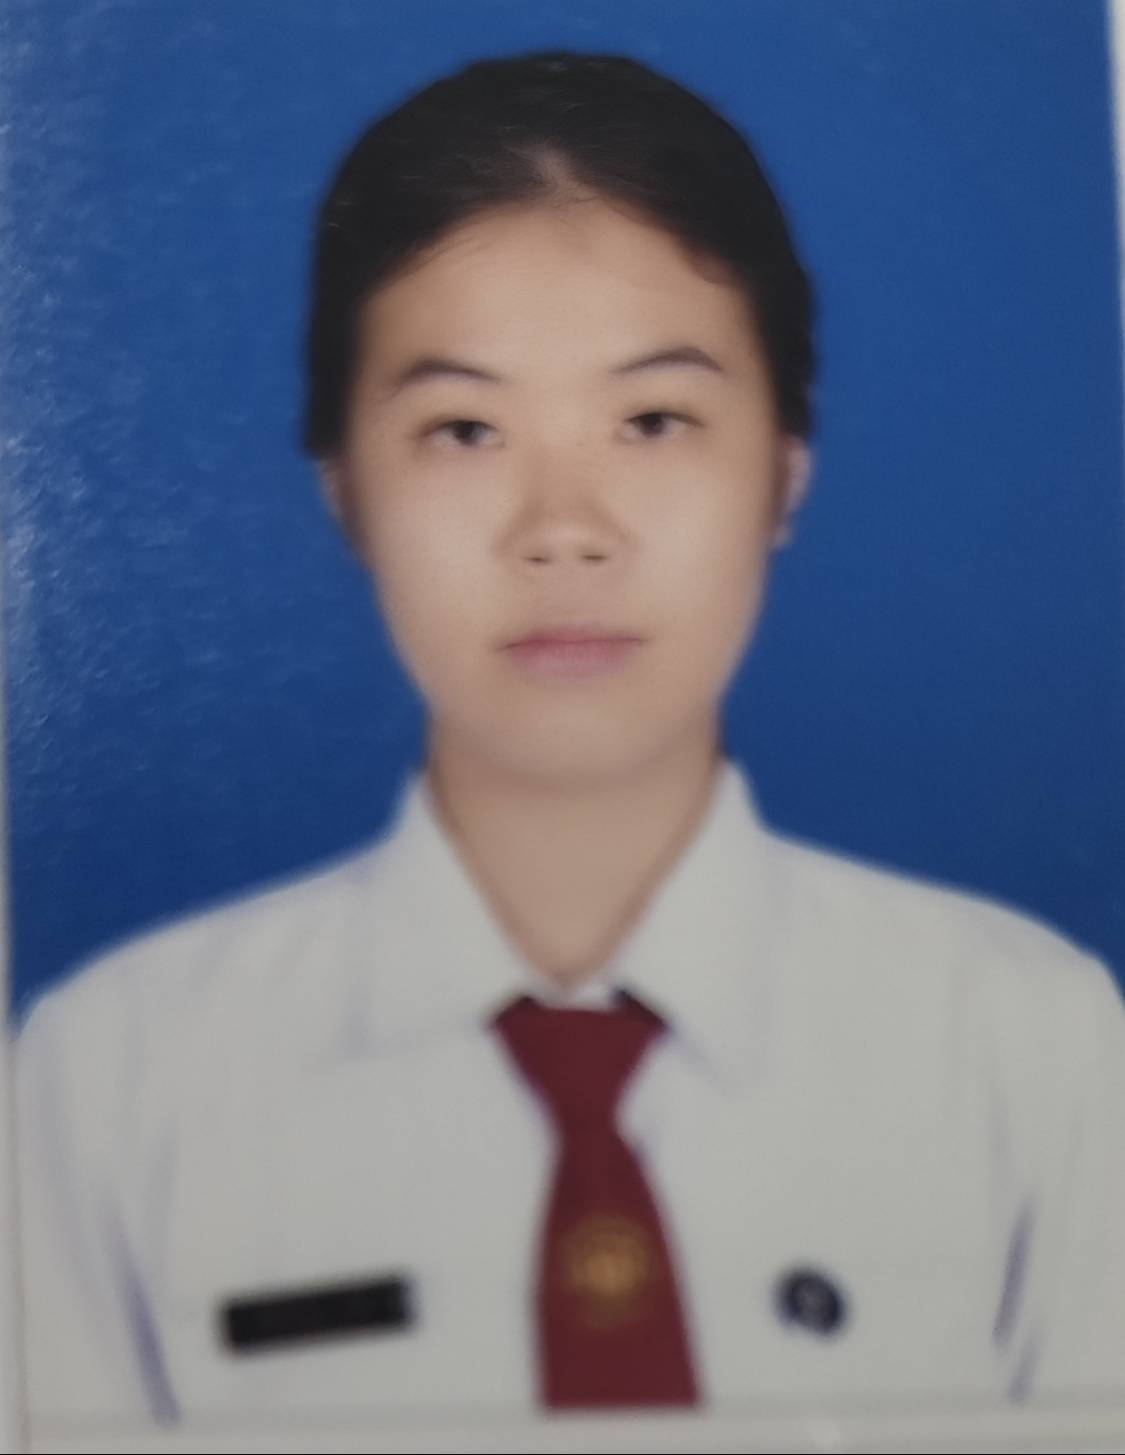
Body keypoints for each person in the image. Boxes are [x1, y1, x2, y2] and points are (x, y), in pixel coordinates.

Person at [14, 49, 1125, 1431]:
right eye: (464, 429)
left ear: (784, 474)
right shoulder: (109, 1086)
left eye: (652, 420)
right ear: (344, 492)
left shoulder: (1030, 1047)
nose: (562, 529)